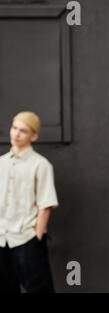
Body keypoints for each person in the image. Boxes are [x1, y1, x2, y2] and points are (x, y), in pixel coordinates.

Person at [0, 112, 59, 293]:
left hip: (27, 238)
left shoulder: (40, 165)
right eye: (14, 128)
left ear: (33, 136)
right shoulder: (1, 163)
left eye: (23, 131)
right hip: (2, 238)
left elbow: (46, 203)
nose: (16, 134)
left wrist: (37, 236)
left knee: (39, 288)